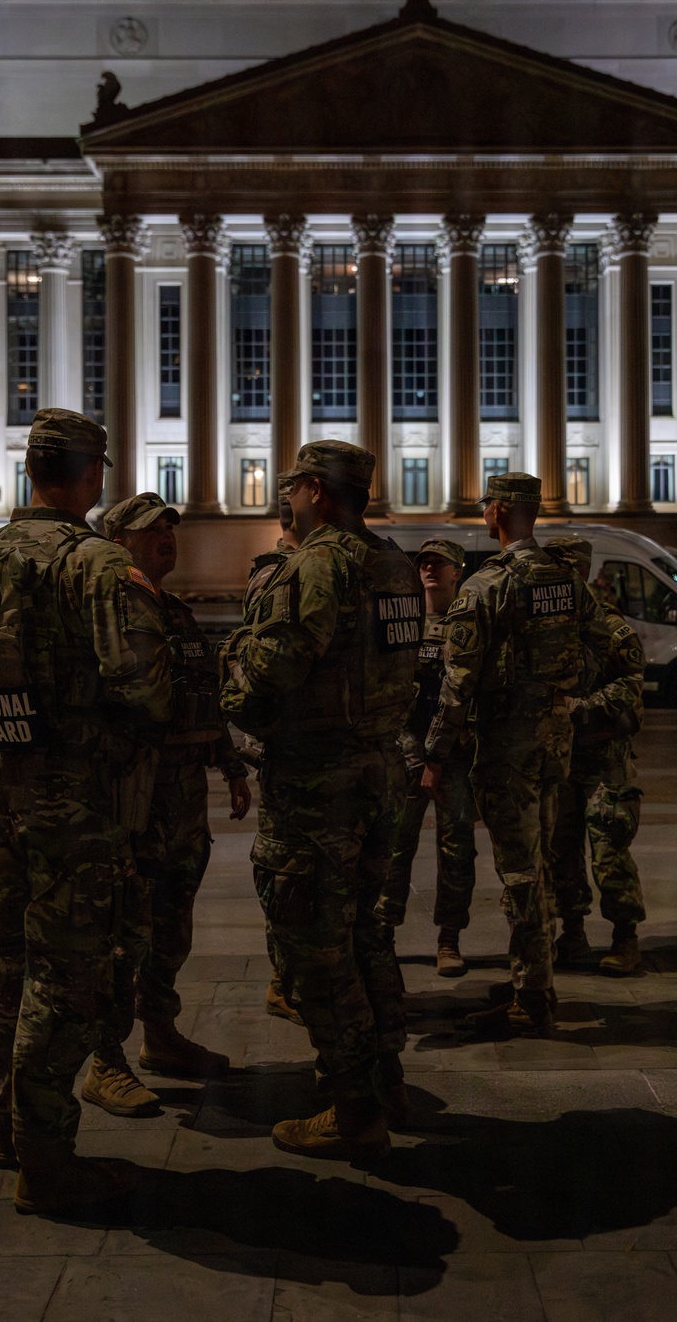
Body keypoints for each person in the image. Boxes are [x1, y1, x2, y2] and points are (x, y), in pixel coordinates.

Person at [0, 409, 171, 1216]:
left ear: (31, 471)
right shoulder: (97, 564)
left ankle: (7, 1126)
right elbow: (145, 689)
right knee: (67, 980)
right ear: (91, 475)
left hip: (5, 791)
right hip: (80, 805)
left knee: (9, 970)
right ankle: (46, 1158)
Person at [221, 439, 422, 1160]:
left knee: (314, 946)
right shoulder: (396, 565)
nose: (287, 500)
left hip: (315, 786)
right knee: (367, 930)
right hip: (377, 776)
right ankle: (386, 1075)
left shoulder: (317, 563)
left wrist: (231, 684)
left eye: (293, 488)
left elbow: (271, 669)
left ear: (316, 491)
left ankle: (352, 1106)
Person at [81, 493, 252, 1118]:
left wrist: (231, 766)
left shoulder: (173, 613)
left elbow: (204, 698)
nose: (168, 539)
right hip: (133, 799)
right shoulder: (108, 611)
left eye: (172, 530)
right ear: (119, 540)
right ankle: (106, 1060)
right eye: (154, 531)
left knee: (171, 930)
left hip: (181, 804)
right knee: (124, 932)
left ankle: (160, 1034)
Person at [422, 472, 606, 1038]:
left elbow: (459, 678)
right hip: (555, 741)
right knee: (543, 859)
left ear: (498, 511)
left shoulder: (488, 584)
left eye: (485, 505)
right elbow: (601, 649)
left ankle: (533, 996)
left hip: (506, 745)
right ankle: (535, 977)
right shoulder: (567, 581)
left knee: (520, 871)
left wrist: (436, 751)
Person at [377, 538, 477, 976]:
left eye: (440, 563)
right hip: (408, 749)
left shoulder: (469, 621)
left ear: (458, 571)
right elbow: (389, 688)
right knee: (396, 845)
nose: (430, 568)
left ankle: (449, 938)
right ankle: (382, 931)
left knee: (457, 846)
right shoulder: (405, 620)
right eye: (425, 562)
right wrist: (409, 750)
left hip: (456, 751)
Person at [548, 544, 647, 975]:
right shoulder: (547, 628)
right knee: (561, 850)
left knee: (608, 850)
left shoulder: (611, 628)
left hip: (605, 757)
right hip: (562, 759)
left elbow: (631, 687)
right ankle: (573, 932)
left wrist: (578, 706)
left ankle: (625, 937)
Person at [241, 475, 304, 1026]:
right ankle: (284, 978)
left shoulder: (322, 565)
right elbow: (260, 668)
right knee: (285, 869)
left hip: (322, 748)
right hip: (288, 748)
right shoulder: (276, 573)